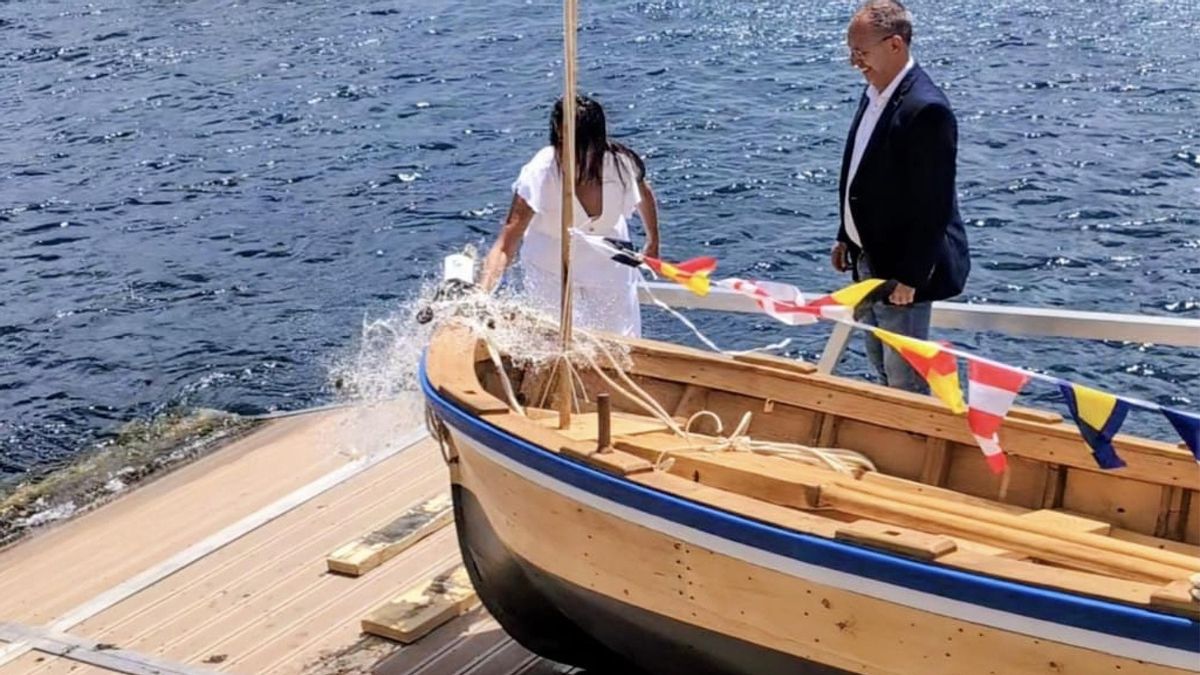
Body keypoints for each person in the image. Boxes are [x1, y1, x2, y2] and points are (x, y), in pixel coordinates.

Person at [832, 0, 970, 393]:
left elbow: (934, 203)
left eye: (861, 52)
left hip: (901, 274)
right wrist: (846, 234)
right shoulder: (874, 93)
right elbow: (861, 170)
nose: (853, 62)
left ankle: (916, 448)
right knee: (880, 365)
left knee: (905, 378)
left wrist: (910, 277)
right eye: (851, 51)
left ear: (895, 45)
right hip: (866, 258)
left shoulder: (926, 109)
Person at [479, 95, 659, 338]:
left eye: (586, 143)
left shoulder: (620, 164)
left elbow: (644, 192)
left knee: (619, 341)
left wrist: (653, 241)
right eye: (567, 141)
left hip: (609, 263)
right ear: (557, 136)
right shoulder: (541, 173)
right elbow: (506, 243)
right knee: (559, 339)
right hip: (551, 267)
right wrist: (482, 296)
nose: (576, 152)